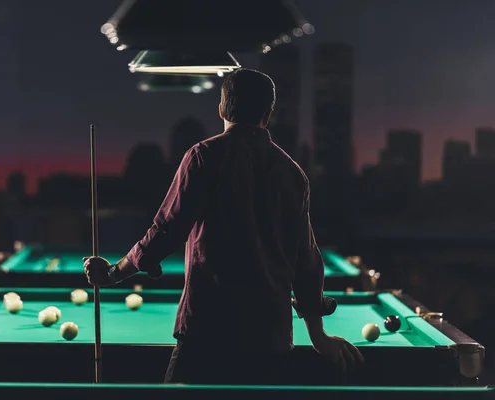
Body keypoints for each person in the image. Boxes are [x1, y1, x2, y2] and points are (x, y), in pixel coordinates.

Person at [84, 68, 363, 385]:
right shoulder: (292, 172)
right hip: (269, 339)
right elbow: (306, 260)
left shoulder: (203, 156)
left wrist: (113, 273)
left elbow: (164, 231)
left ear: (221, 109)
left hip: (207, 332)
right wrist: (318, 336)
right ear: (267, 114)